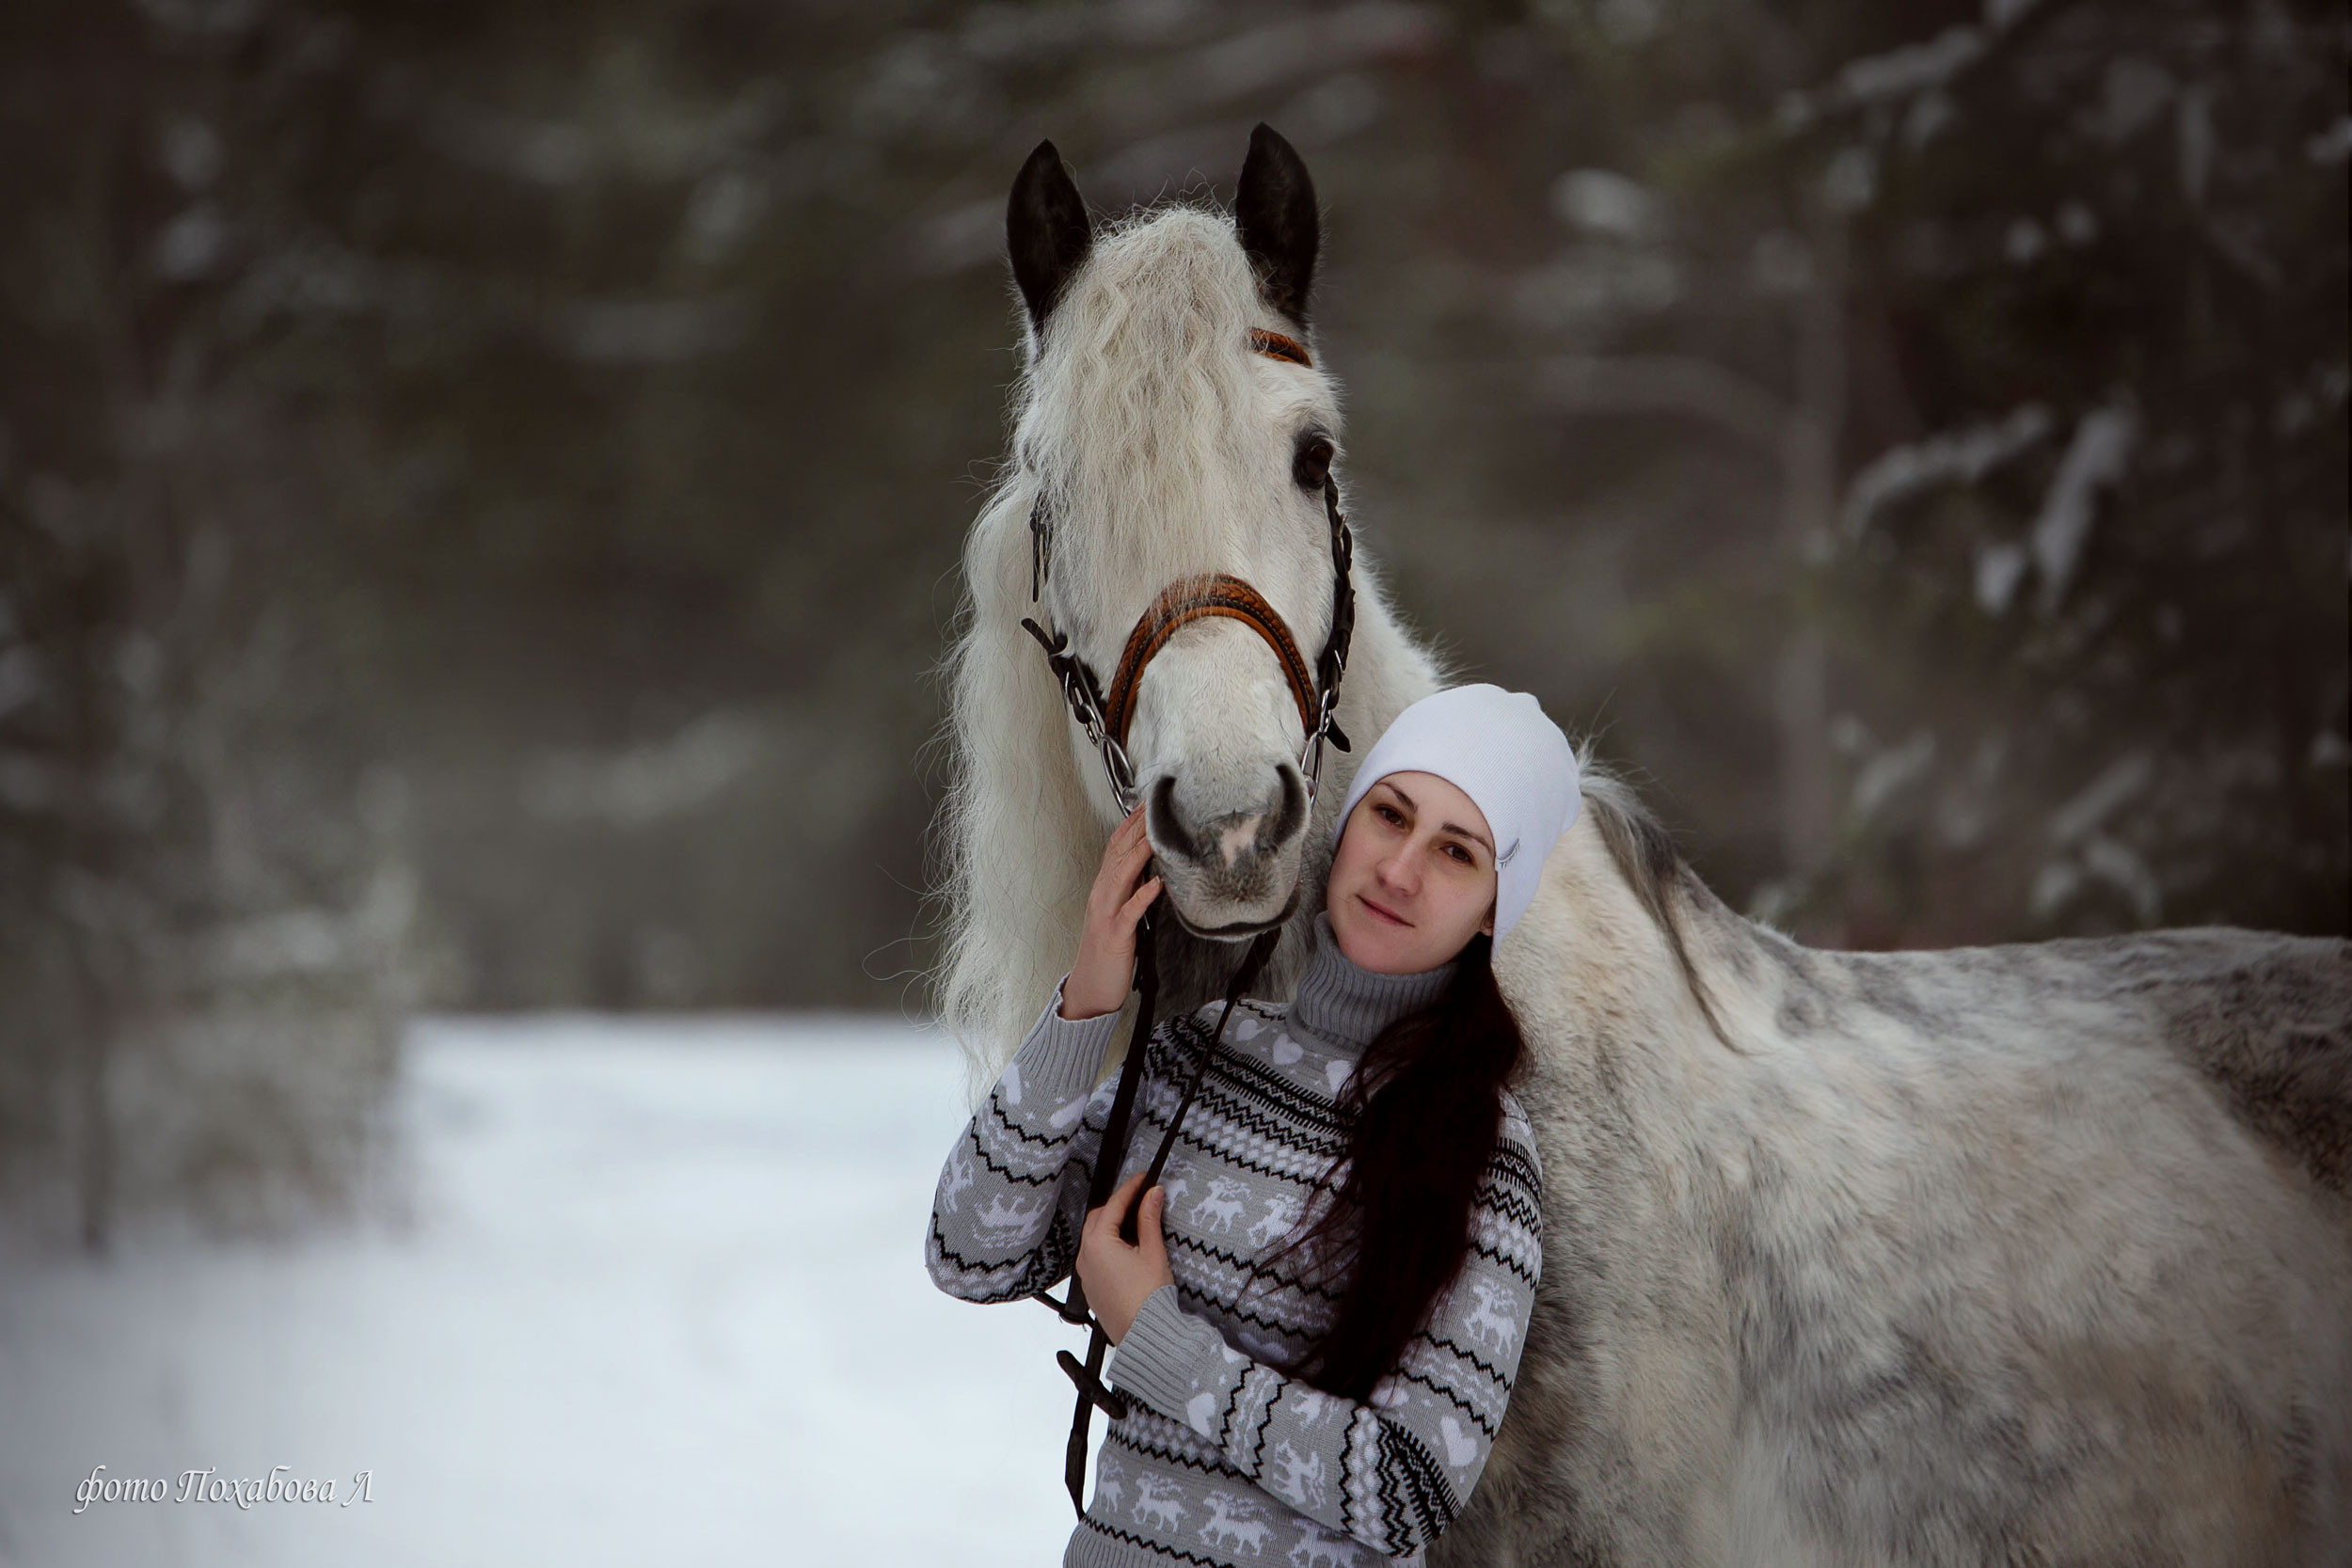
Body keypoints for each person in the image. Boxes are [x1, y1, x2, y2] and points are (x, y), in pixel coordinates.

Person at [926, 685, 1578, 1566]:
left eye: (1456, 852)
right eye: (1391, 814)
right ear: (1341, 826)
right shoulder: (1205, 1050)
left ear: (1494, 909)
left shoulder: (1486, 1155)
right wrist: (1085, 1007)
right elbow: (969, 1251)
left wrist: (1155, 1336)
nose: (1400, 869)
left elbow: (1409, 1487)